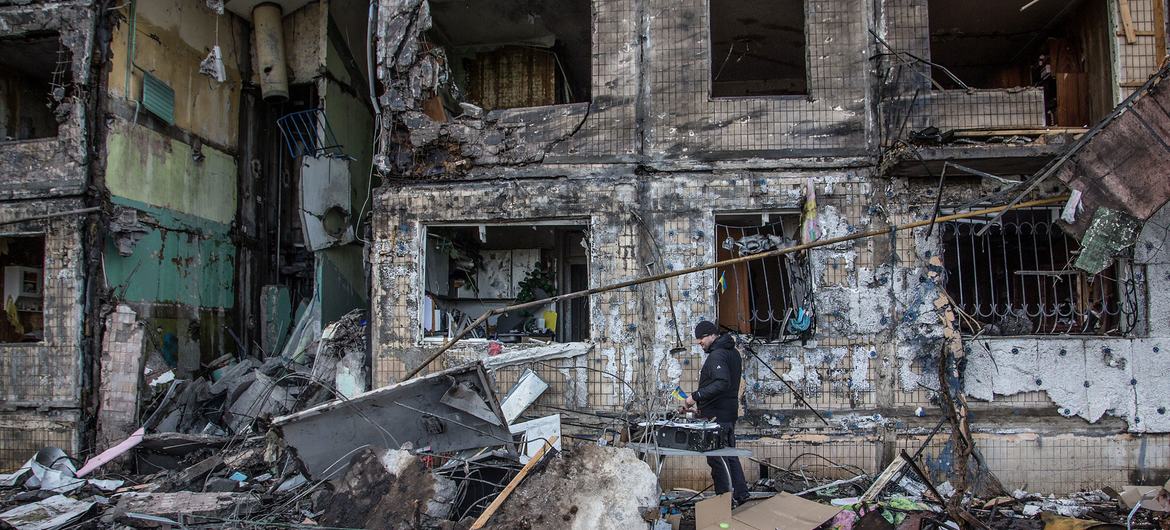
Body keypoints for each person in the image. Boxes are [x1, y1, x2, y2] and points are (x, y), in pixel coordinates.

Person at [684, 320, 749, 505]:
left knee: (717, 459)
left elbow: (722, 383)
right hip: (727, 413)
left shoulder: (717, 355)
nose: (699, 342)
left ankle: (724, 499)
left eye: (702, 337)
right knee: (730, 454)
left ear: (713, 335)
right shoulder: (733, 352)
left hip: (717, 417)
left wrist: (694, 397)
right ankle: (741, 494)